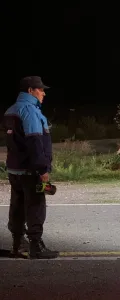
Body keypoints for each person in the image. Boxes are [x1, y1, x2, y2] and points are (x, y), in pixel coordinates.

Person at [3, 76, 59, 259]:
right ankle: (36, 246)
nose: (43, 93)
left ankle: (17, 245)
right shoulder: (30, 110)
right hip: (30, 170)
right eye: (40, 89)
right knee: (35, 206)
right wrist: (42, 169)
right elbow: (35, 141)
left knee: (17, 206)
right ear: (30, 90)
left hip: (14, 169)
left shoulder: (11, 110)